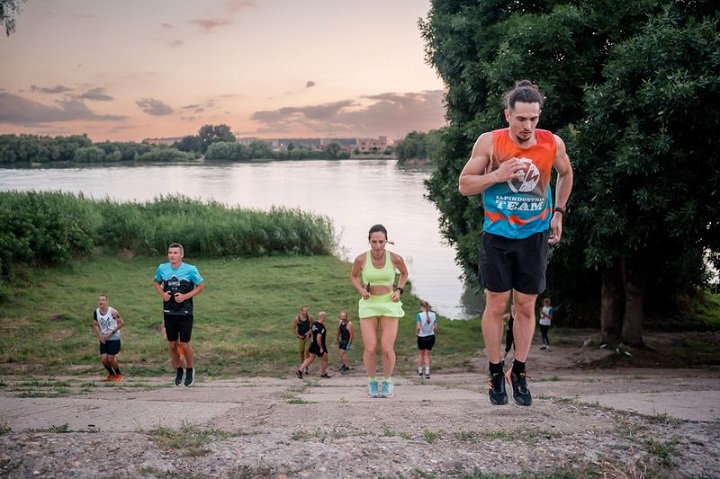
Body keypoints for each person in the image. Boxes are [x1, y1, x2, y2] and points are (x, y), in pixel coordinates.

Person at [458, 80, 573, 407]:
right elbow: (464, 184)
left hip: (534, 236)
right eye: (521, 119)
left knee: (525, 306)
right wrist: (497, 175)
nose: (527, 126)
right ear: (508, 114)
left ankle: (519, 371)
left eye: (533, 119)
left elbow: (566, 174)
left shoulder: (552, 144)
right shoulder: (490, 143)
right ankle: (496, 370)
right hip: (497, 236)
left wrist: (558, 212)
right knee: (496, 306)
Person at [350, 224, 408, 398]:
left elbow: (404, 274)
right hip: (369, 304)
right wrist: (362, 291)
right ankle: (372, 381)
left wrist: (399, 290)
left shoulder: (396, 258)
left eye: (381, 242)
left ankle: (388, 381)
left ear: (386, 241)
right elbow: (353, 276)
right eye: (374, 242)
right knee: (370, 347)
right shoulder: (361, 259)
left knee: (386, 347)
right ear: (369, 241)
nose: (378, 246)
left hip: (389, 304)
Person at [153, 242, 205, 387]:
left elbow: (200, 287)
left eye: (175, 253)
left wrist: (185, 296)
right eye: (170, 253)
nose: (172, 255)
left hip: (185, 312)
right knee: (172, 344)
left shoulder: (190, 269)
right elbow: (156, 283)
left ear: (181, 255)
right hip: (169, 311)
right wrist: (162, 294)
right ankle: (179, 370)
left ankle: (189, 369)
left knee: (184, 343)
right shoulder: (162, 268)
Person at [92, 294, 125, 382]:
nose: (101, 302)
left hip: (114, 337)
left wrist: (111, 333)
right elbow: (95, 325)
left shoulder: (113, 312)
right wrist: (99, 336)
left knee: (110, 359)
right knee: (103, 359)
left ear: (107, 302)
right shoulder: (96, 312)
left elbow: (121, 323)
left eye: (103, 300)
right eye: (99, 300)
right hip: (104, 338)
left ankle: (118, 373)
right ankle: (111, 374)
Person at [297, 311, 330, 379]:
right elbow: (318, 338)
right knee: (325, 359)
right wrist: (321, 348)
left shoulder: (314, 323)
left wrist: (308, 334)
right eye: (325, 317)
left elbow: (311, 330)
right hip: (320, 345)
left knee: (310, 358)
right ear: (323, 317)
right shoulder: (322, 327)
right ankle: (323, 373)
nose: (325, 319)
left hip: (313, 343)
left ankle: (300, 370)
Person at [416, 300, 438, 379]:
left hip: (422, 336)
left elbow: (418, 327)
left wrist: (417, 333)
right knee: (427, 355)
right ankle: (427, 372)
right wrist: (432, 332)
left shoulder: (419, 315)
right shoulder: (434, 315)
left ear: (422, 307)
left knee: (421, 354)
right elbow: (435, 327)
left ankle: (420, 371)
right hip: (431, 336)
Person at [292, 306, 313, 375]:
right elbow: (294, 328)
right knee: (301, 351)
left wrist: (309, 333)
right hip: (301, 337)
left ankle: (306, 366)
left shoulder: (309, 317)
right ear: (301, 311)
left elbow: (313, 326)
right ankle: (302, 365)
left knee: (306, 351)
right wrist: (298, 335)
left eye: (306, 311)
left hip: (308, 337)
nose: (305, 312)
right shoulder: (297, 318)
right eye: (304, 311)